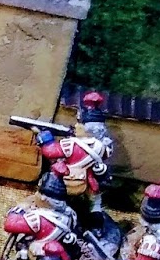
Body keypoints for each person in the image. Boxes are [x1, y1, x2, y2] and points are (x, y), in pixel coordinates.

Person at [35, 90, 115, 228]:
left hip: (66, 179)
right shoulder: (102, 147)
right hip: (88, 180)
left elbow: (50, 152)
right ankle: (95, 216)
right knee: (94, 198)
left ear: (88, 128)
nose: (76, 126)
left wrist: (45, 137)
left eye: (80, 123)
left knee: (50, 184)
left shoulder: (71, 145)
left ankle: (55, 216)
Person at [1, 169, 80, 260]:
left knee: (23, 253)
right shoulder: (70, 214)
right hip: (56, 252)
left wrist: (20, 209)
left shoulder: (39, 219)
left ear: (43, 198)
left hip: (39, 257)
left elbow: (10, 224)